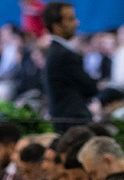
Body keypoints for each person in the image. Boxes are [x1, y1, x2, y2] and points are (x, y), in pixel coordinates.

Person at [42, 2, 99, 132]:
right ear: (56, 26)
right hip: (74, 123)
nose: (77, 23)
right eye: (70, 19)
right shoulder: (63, 54)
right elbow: (89, 87)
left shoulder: (56, 51)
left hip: (66, 121)